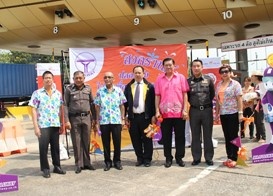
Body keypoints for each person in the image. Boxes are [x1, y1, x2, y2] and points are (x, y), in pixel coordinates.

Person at [29, 71, 66, 178]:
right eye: (46, 78)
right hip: (43, 126)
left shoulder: (57, 93)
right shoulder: (37, 93)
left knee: (55, 147)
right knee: (43, 148)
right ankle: (45, 169)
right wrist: (36, 127)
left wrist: (61, 123)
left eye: (50, 78)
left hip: (55, 124)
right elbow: (33, 110)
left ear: (53, 79)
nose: (48, 80)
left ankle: (57, 166)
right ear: (43, 79)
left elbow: (60, 109)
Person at [155, 57, 189, 168]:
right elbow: (157, 96)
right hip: (164, 114)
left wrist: (185, 110)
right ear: (163, 67)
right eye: (166, 65)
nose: (168, 67)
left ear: (174, 66)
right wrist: (157, 111)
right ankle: (168, 158)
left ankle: (179, 157)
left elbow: (185, 94)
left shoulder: (181, 78)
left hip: (179, 113)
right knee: (166, 137)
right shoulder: (159, 79)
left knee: (180, 136)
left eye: (170, 65)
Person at [64, 71, 96, 174]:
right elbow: (65, 105)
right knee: (76, 142)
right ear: (73, 79)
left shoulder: (88, 88)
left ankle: (87, 163)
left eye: (80, 78)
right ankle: (78, 164)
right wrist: (67, 120)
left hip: (86, 118)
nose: (78, 80)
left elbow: (92, 104)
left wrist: (94, 119)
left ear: (84, 78)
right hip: (74, 119)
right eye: (76, 78)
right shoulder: (69, 89)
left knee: (86, 141)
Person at [124, 65, 156, 167]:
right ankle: (139, 158)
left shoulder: (149, 86)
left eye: (139, 73)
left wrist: (154, 115)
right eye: (136, 73)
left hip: (146, 117)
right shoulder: (129, 86)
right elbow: (124, 103)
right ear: (133, 74)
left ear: (143, 74)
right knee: (135, 139)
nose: (137, 74)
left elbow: (153, 103)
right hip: (133, 118)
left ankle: (147, 159)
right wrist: (125, 116)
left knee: (147, 138)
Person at [94, 72, 127, 171]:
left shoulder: (118, 91)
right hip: (104, 121)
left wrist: (122, 119)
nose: (107, 79)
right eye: (105, 77)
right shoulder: (100, 91)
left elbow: (122, 106)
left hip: (116, 120)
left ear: (113, 79)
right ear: (103, 79)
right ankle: (107, 162)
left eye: (109, 77)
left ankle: (117, 161)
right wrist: (97, 121)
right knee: (106, 143)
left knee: (117, 142)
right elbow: (97, 106)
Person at [187, 59, 215, 166]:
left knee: (207, 135)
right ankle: (196, 158)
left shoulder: (208, 80)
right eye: (194, 66)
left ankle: (208, 158)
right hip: (194, 111)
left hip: (207, 111)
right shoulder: (188, 81)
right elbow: (187, 97)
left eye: (198, 66)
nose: (196, 68)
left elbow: (212, 94)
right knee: (195, 135)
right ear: (191, 68)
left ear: (202, 67)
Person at [215, 64, 243, 168]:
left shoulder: (235, 84)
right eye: (222, 72)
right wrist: (217, 114)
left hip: (233, 113)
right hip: (223, 113)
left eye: (226, 71)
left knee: (234, 135)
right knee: (227, 136)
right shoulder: (218, 85)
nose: (224, 73)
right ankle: (229, 156)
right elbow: (218, 101)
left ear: (230, 72)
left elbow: (239, 99)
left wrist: (240, 113)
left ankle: (235, 157)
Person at [251, 71, 266, 143]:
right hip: (255, 104)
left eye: (252, 76)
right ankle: (258, 136)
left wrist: (255, 97)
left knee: (260, 121)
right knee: (256, 121)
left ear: (256, 77)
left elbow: (263, 96)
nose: (251, 77)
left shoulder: (262, 85)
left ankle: (263, 136)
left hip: (260, 105)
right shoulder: (256, 85)